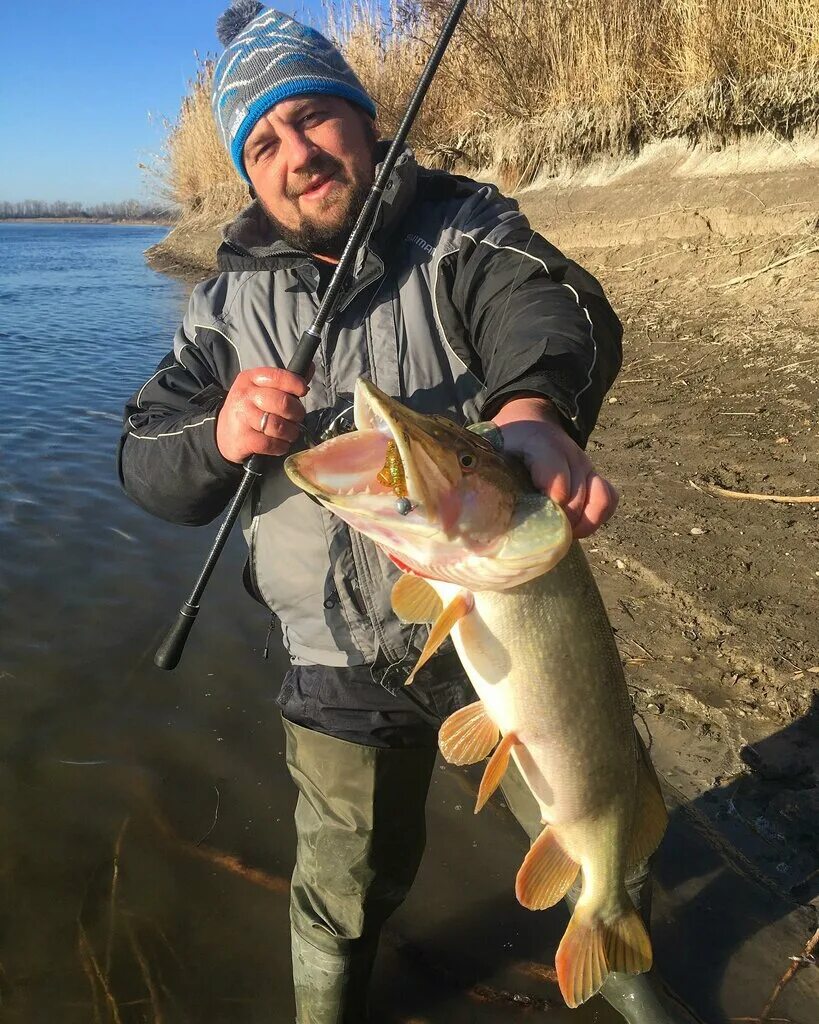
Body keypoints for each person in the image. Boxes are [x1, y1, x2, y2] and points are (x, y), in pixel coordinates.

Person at [119, 4, 698, 1022]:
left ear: (363, 120)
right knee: (341, 895)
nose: (297, 153)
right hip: (335, 660)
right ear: (249, 173)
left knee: (603, 835)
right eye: (264, 141)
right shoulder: (220, 312)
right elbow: (145, 461)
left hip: (499, 630)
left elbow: (551, 305)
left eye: (314, 118)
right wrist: (218, 434)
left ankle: (630, 971)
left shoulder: (463, 228)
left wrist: (532, 410)